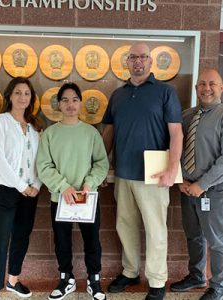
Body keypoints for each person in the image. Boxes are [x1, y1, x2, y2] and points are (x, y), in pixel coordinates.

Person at [102, 42, 183, 300]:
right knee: (125, 226)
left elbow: (176, 133)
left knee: (155, 230)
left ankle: (157, 282)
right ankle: (130, 271)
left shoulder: (165, 92)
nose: (138, 61)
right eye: (133, 57)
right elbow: (109, 132)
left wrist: (172, 168)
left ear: (151, 61)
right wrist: (102, 166)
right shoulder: (118, 95)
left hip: (155, 176)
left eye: (143, 57)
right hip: (123, 173)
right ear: (127, 61)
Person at [36, 82, 109, 300]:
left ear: (80, 103)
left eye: (75, 100)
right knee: (62, 240)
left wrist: (89, 183)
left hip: (87, 198)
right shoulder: (50, 134)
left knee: (92, 240)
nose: (70, 104)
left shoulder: (91, 133)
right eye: (65, 100)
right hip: (61, 198)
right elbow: (44, 166)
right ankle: (66, 278)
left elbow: (101, 163)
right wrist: (63, 186)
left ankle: (93, 280)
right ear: (59, 104)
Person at [170, 69, 223, 300]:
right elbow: (176, 151)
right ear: (196, 89)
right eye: (202, 83)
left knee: (217, 240)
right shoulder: (186, 115)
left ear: (221, 88)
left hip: (213, 192)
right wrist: (180, 180)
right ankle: (196, 276)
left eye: (212, 83)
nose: (206, 88)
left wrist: (202, 184)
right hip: (187, 189)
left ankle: (219, 286)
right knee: (193, 235)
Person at [0, 77, 42, 299]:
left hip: (30, 193)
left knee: (21, 237)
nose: (22, 97)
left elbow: (41, 160)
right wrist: (22, 186)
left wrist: (36, 184)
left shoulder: (35, 127)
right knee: (0, 239)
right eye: (18, 92)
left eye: (26, 93)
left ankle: (13, 280)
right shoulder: (1, 122)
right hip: (5, 191)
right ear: (9, 96)